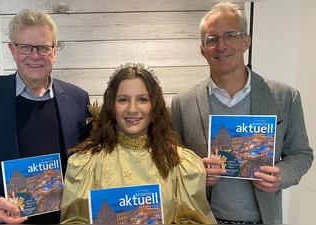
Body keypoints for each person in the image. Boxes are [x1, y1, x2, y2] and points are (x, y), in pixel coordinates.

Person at [0, 9, 91, 224]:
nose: (35, 55)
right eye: (25, 47)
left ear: (54, 51)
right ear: (12, 50)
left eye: (43, 47)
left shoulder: (78, 98)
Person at [171, 2, 313, 224]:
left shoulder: (285, 96)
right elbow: (171, 161)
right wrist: (195, 173)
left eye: (230, 36)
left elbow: (301, 154)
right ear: (202, 50)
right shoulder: (182, 103)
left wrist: (280, 175)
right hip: (202, 219)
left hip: (264, 219)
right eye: (212, 39)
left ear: (245, 41)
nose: (221, 46)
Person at [59, 62, 216, 224]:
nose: (132, 109)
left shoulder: (181, 163)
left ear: (154, 105)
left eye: (142, 99)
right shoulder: (85, 164)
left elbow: (196, 220)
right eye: (123, 100)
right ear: (112, 105)